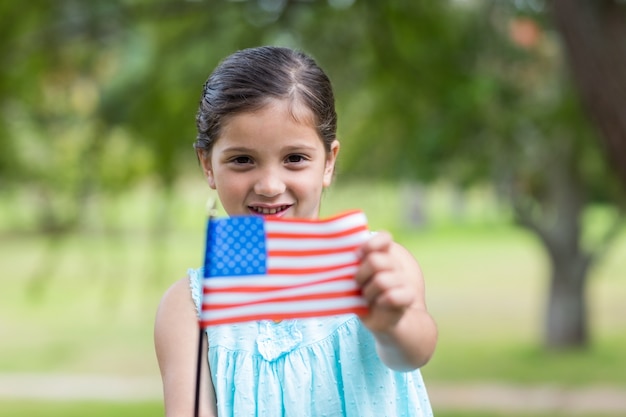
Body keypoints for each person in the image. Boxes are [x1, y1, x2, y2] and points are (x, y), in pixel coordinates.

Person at [154, 46, 438, 417]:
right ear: (208, 165)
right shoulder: (189, 308)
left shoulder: (377, 267)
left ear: (328, 162)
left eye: (295, 159)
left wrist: (391, 325)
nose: (270, 185)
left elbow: (413, 353)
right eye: (242, 160)